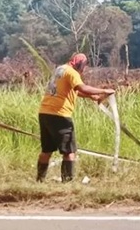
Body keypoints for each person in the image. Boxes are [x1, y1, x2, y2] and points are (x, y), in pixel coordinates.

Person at [36, 53, 115, 183]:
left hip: (45, 113)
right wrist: (104, 91)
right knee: (69, 151)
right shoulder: (72, 73)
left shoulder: (60, 70)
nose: (83, 70)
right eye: (84, 66)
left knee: (47, 150)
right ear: (79, 64)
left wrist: (92, 97)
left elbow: (73, 91)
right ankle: (67, 183)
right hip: (60, 115)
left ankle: (39, 181)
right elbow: (81, 87)